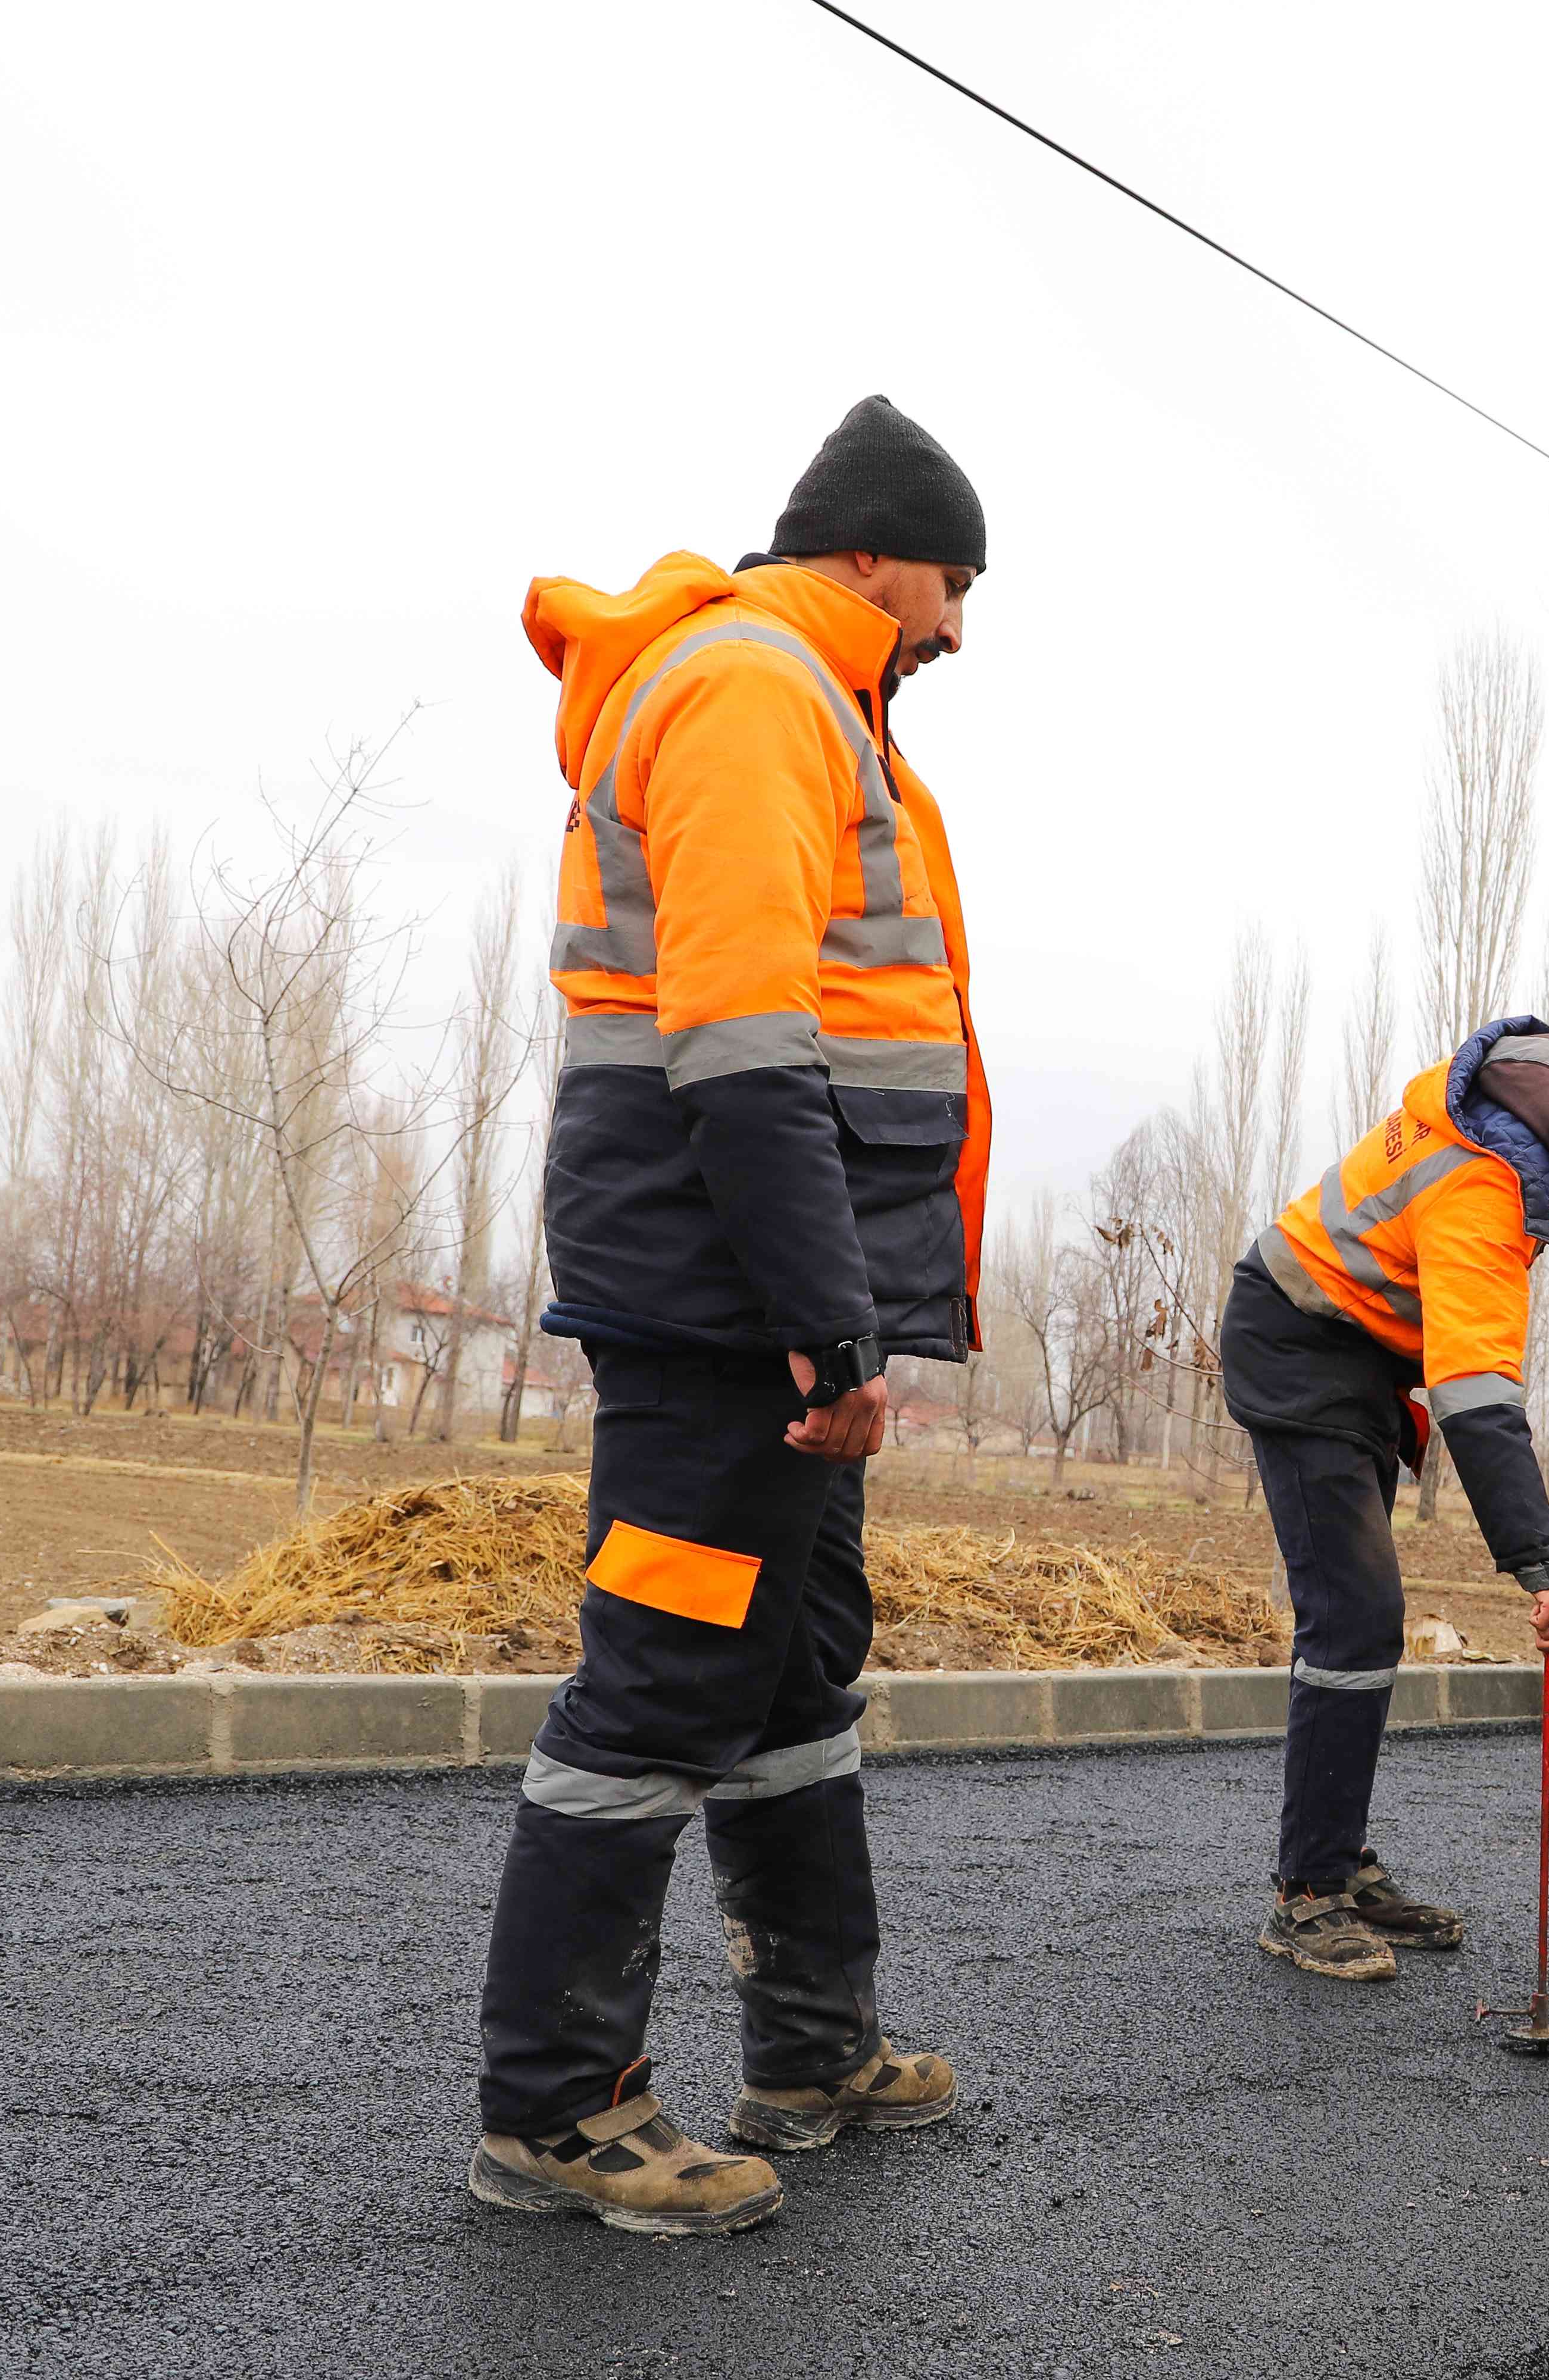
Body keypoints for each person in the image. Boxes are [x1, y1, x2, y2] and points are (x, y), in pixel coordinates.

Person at [471, 396, 993, 2236]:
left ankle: (811, 2047)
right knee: (661, 1689)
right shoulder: (764, 686)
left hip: (756, 1296)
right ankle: (556, 2116)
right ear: (870, 552)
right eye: (946, 583)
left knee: (786, 1673)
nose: (953, 625)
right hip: (727, 1311)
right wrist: (827, 1329)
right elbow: (746, 1041)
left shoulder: (797, 692)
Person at [1222, 1009, 1549, 1980]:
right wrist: (1544, 1569)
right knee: (1354, 1615)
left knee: (1357, 1620)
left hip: (1352, 1358)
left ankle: (1339, 1863)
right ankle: (1307, 1894)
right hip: (1298, 1348)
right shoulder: (1487, 1176)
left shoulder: (1521, 1122)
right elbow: (1479, 1395)